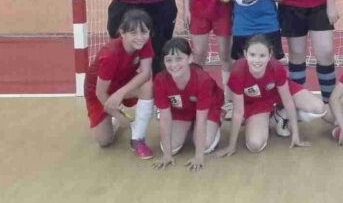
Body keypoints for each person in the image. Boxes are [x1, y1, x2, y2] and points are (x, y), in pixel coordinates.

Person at [214, 35, 326, 156]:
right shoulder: (238, 72)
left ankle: (282, 115)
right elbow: (238, 112)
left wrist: (295, 135)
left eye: (262, 55)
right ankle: (276, 119)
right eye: (252, 55)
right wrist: (231, 146)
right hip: (256, 103)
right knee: (255, 145)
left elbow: (287, 100)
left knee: (319, 108)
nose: (257, 60)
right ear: (245, 54)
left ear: (269, 55)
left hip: (278, 93)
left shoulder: (276, 67)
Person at [83, 9, 156, 159]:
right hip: (98, 91)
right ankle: (114, 118)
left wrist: (120, 93)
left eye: (144, 32)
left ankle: (137, 139)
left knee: (148, 85)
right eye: (133, 33)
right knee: (104, 141)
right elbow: (100, 93)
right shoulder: (110, 54)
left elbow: (146, 73)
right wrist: (118, 114)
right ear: (122, 33)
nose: (140, 37)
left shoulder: (145, 43)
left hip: (122, 84)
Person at [151, 38, 223, 172]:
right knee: (170, 147)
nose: (174, 64)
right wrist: (167, 155)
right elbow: (165, 118)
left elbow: (202, 121)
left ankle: (217, 121)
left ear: (190, 58)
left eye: (179, 59)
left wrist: (198, 157)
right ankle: (189, 125)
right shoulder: (160, 80)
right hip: (181, 110)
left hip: (208, 109)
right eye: (169, 60)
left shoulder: (203, 80)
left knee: (205, 146)